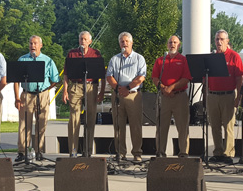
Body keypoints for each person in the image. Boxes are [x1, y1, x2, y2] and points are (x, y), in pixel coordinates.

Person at [14, 35, 60, 161]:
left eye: (35, 43)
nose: (32, 46)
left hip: (42, 94)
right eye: (30, 43)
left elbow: (55, 80)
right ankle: (22, 152)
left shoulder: (48, 60)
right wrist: (17, 98)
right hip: (26, 94)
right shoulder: (22, 60)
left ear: (41, 45)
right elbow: (16, 81)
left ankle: (39, 151)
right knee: (24, 124)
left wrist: (46, 89)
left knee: (41, 123)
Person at [62, 31, 105, 157]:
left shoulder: (96, 53)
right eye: (81, 39)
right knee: (74, 118)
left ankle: (88, 151)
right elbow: (66, 74)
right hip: (76, 85)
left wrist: (101, 91)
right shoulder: (72, 53)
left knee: (90, 118)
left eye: (85, 39)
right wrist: (65, 90)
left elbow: (102, 74)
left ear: (90, 41)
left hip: (91, 86)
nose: (83, 41)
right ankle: (73, 151)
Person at [106, 32, 146, 162]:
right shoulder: (115, 59)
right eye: (122, 42)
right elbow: (109, 76)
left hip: (133, 95)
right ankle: (120, 153)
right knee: (118, 125)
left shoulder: (139, 58)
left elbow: (141, 77)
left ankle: (137, 153)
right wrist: (118, 88)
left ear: (131, 42)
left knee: (135, 125)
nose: (124, 44)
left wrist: (127, 88)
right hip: (118, 95)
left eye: (126, 41)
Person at [207, 29, 243, 164]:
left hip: (228, 95)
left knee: (228, 125)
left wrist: (238, 97)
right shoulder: (211, 57)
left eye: (222, 39)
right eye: (217, 39)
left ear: (227, 41)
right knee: (214, 125)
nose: (219, 42)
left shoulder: (234, 56)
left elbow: (240, 78)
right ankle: (217, 152)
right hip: (212, 95)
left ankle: (228, 153)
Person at [152, 35, 192, 157]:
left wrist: (171, 87)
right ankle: (160, 152)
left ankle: (183, 152)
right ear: (167, 45)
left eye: (175, 42)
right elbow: (154, 77)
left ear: (179, 45)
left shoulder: (184, 60)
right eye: (170, 42)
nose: (172, 44)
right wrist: (164, 88)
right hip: (164, 97)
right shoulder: (160, 60)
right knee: (161, 126)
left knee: (182, 126)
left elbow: (186, 78)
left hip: (179, 96)